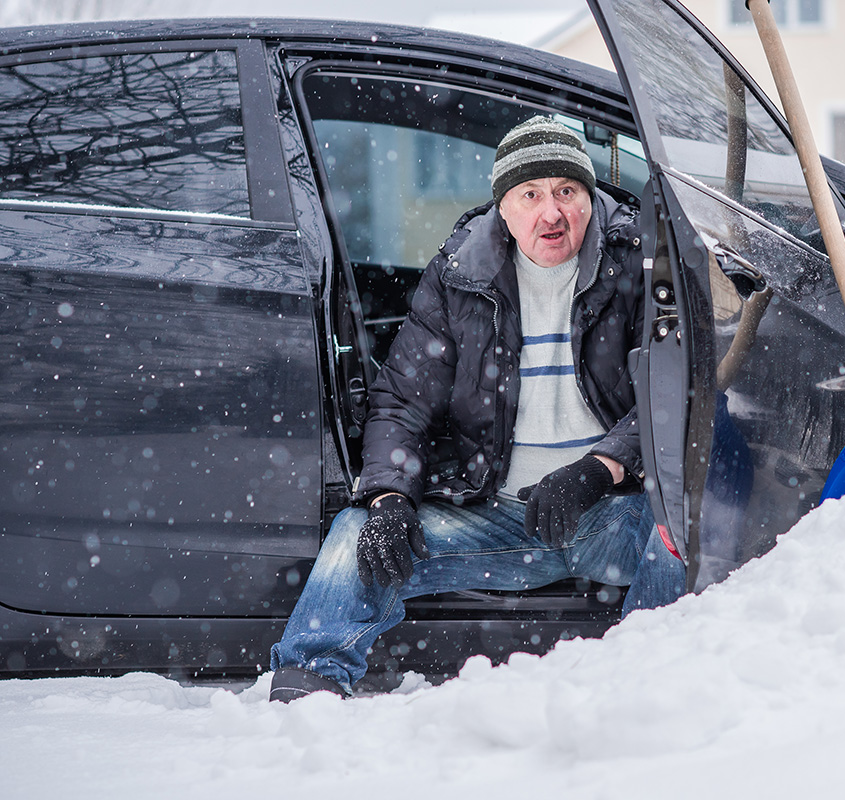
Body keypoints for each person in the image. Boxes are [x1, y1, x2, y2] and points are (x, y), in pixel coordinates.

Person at [267, 116, 685, 702]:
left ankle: (644, 689)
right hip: (498, 515)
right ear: (503, 208)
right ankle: (305, 690)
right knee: (359, 530)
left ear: (590, 199)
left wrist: (600, 470)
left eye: (567, 191)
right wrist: (390, 496)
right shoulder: (460, 275)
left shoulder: (638, 261)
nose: (552, 213)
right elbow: (402, 402)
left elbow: (679, 391)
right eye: (531, 194)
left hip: (610, 512)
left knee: (679, 524)